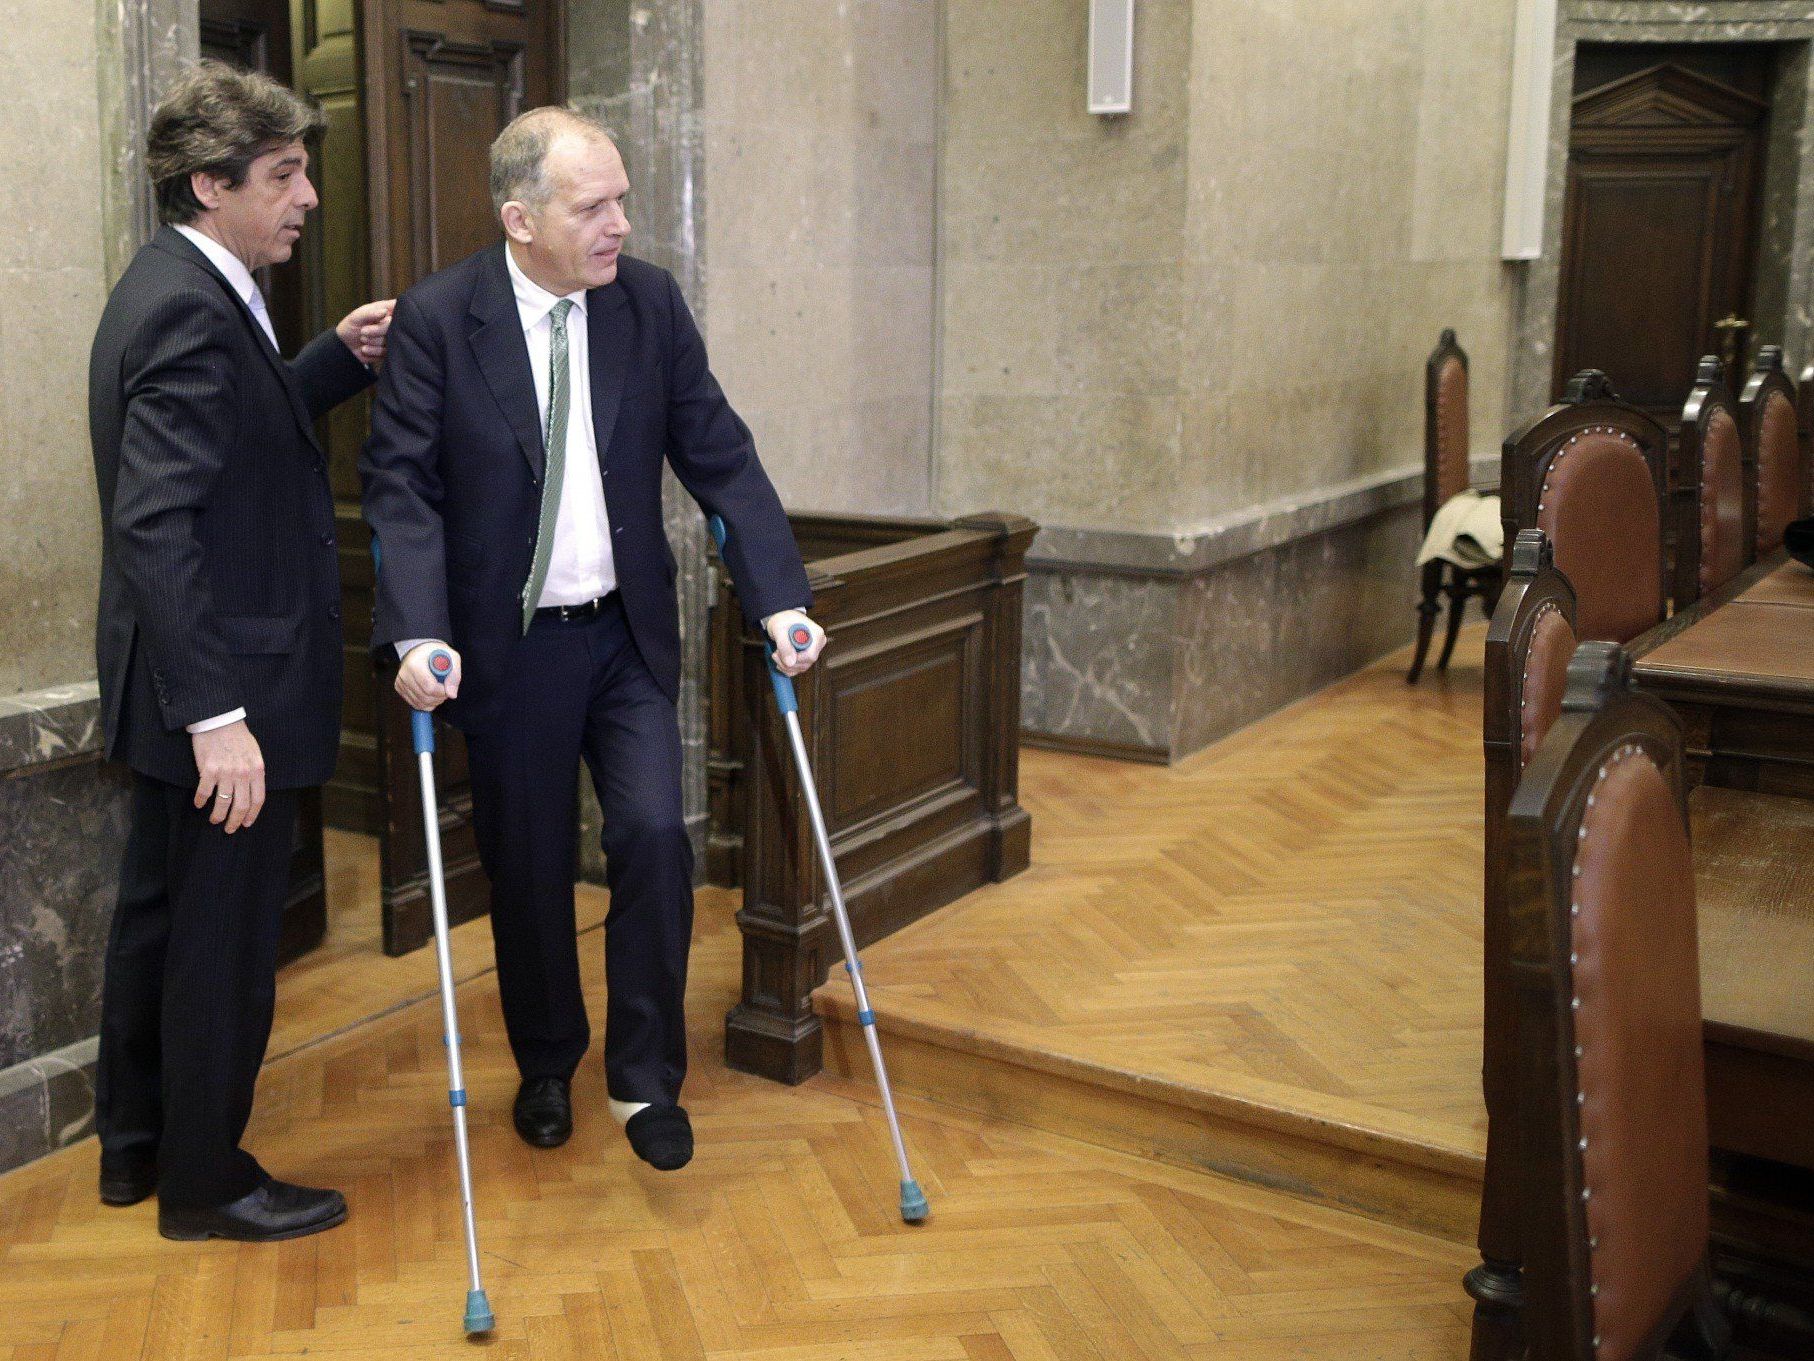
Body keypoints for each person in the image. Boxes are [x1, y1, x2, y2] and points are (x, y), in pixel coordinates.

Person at [360, 106, 822, 1170]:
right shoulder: (440, 320)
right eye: (593, 205)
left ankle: (644, 1076)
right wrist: (416, 631)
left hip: (622, 639)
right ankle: (544, 1062)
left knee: (656, 838)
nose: (619, 222)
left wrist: (778, 595)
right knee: (525, 869)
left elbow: (720, 452)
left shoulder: (646, 305)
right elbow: (401, 491)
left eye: (621, 198)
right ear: (521, 218)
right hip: (506, 647)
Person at [90, 60, 393, 1241]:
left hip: (178, 684)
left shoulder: (181, 282)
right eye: (283, 174)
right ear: (212, 185)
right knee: (221, 946)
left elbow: (230, 431)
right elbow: (156, 519)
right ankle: (208, 1183)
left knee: (160, 920)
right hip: (223, 696)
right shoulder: (186, 301)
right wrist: (220, 714)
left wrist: (327, 360)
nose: (308, 195)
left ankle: (136, 1146)